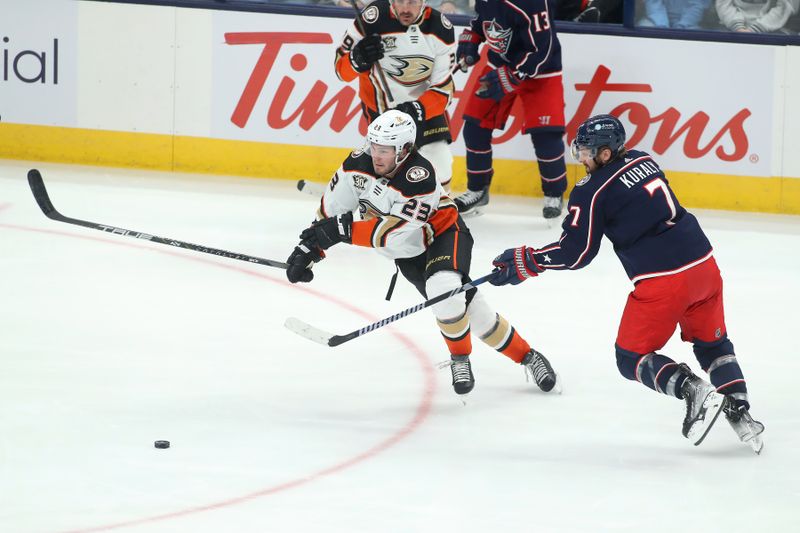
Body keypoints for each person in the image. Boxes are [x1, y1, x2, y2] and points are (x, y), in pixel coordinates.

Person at [489, 114, 765, 453]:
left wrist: (526, 260)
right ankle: (741, 412)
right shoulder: (644, 159)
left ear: (606, 153)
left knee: (629, 357)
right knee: (713, 345)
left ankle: (691, 388)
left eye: (587, 152)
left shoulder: (591, 192)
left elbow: (577, 253)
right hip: (705, 267)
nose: (582, 158)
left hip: (664, 281)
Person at [284, 110, 560, 396]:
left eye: (385, 151)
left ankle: (459, 358)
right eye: (374, 147)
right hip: (407, 254)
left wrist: (344, 232)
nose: (376, 155)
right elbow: (332, 212)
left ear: (403, 150)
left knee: (445, 291)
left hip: (443, 234)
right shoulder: (357, 164)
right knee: (474, 313)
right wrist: (309, 248)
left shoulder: (420, 178)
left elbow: (389, 232)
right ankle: (528, 356)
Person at [454, 0, 568, 220]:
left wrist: (513, 76)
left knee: (546, 136)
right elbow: (482, 21)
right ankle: (478, 189)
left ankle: (554, 193)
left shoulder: (532, 3)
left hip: (542, 73)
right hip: (499, 66)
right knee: (474, 126)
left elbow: (542, 49)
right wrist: (471, 41)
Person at [334, 0, 457, 190]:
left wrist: (417, 109)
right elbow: (340, 71)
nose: (406, 9)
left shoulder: (441, 28)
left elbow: (443, 89)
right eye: (400, 1)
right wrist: (356, 59)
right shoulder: (372, 18)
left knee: (440, 160)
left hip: (423, 108)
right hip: (381, 107)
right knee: (386, 165)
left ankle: (442, 204)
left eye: (412, 2)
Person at [714, 0, 798, 33]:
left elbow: (786, 7)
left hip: (774, 29)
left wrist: (754, 30)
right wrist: (738, 27)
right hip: (729, 26)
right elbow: (723, 4)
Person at [636, 0, 711, 29]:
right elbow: (654, 5)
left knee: (696, 35)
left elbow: (697, 7)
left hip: (687, 24)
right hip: (656, 21)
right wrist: (662, 25)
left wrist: (681, 26)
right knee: (645, 29)